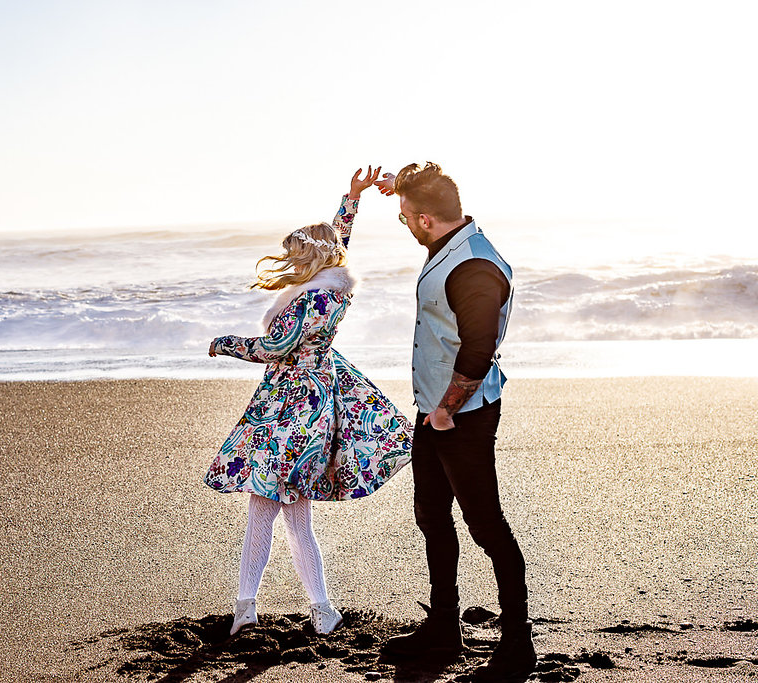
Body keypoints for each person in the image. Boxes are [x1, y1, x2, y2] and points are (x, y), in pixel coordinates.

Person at [205, 167, 414, 637]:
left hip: (288, 411)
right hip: (316, 407)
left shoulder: (308, 303)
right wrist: (352, 198)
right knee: (296, 515)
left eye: (296, 256)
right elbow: (338, 242)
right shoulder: (332, 288)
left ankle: (247, 609)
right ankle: (320, 611)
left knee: (263, 508)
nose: (290, 263)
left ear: (310, 261)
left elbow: (271, 350)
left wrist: (224, 343)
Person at [375, 162, 535, 680]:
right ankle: (445, 626)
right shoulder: (444, 244)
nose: (405, 227)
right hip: (433, 412)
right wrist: (396, 189)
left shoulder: (473, 267)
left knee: (486, 526)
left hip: (461, 417)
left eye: (405, 219)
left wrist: (445, 410)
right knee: (431, 515)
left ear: (424, 219)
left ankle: (517, 646)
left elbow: (480, 349)